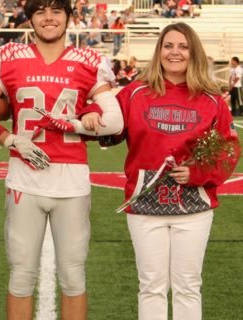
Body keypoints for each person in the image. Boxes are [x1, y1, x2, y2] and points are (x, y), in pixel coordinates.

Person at [0, 0, 124, 320]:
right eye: (40, 11)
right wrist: (8, 139)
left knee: (73, 276)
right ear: (29, 18)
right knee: (21, 276)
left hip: (72, 180)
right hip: (24, 180)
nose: (49, 18)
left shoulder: (89, 60)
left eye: (56, 10)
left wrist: (81, 118)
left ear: (69, 17)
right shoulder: (8, 57)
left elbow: (114, 123)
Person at [92, 22, 240, 320]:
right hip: (145, 205)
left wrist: (197, 171)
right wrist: (92, 113)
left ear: (193, 53)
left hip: (194, 207)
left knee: (187, 286)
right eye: (169, 45)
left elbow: (228, 150)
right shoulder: (135, 93)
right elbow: (108, 125)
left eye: (183, 46)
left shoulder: (211, 99)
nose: (175, 52)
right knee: (151, 286)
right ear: (159, 51)